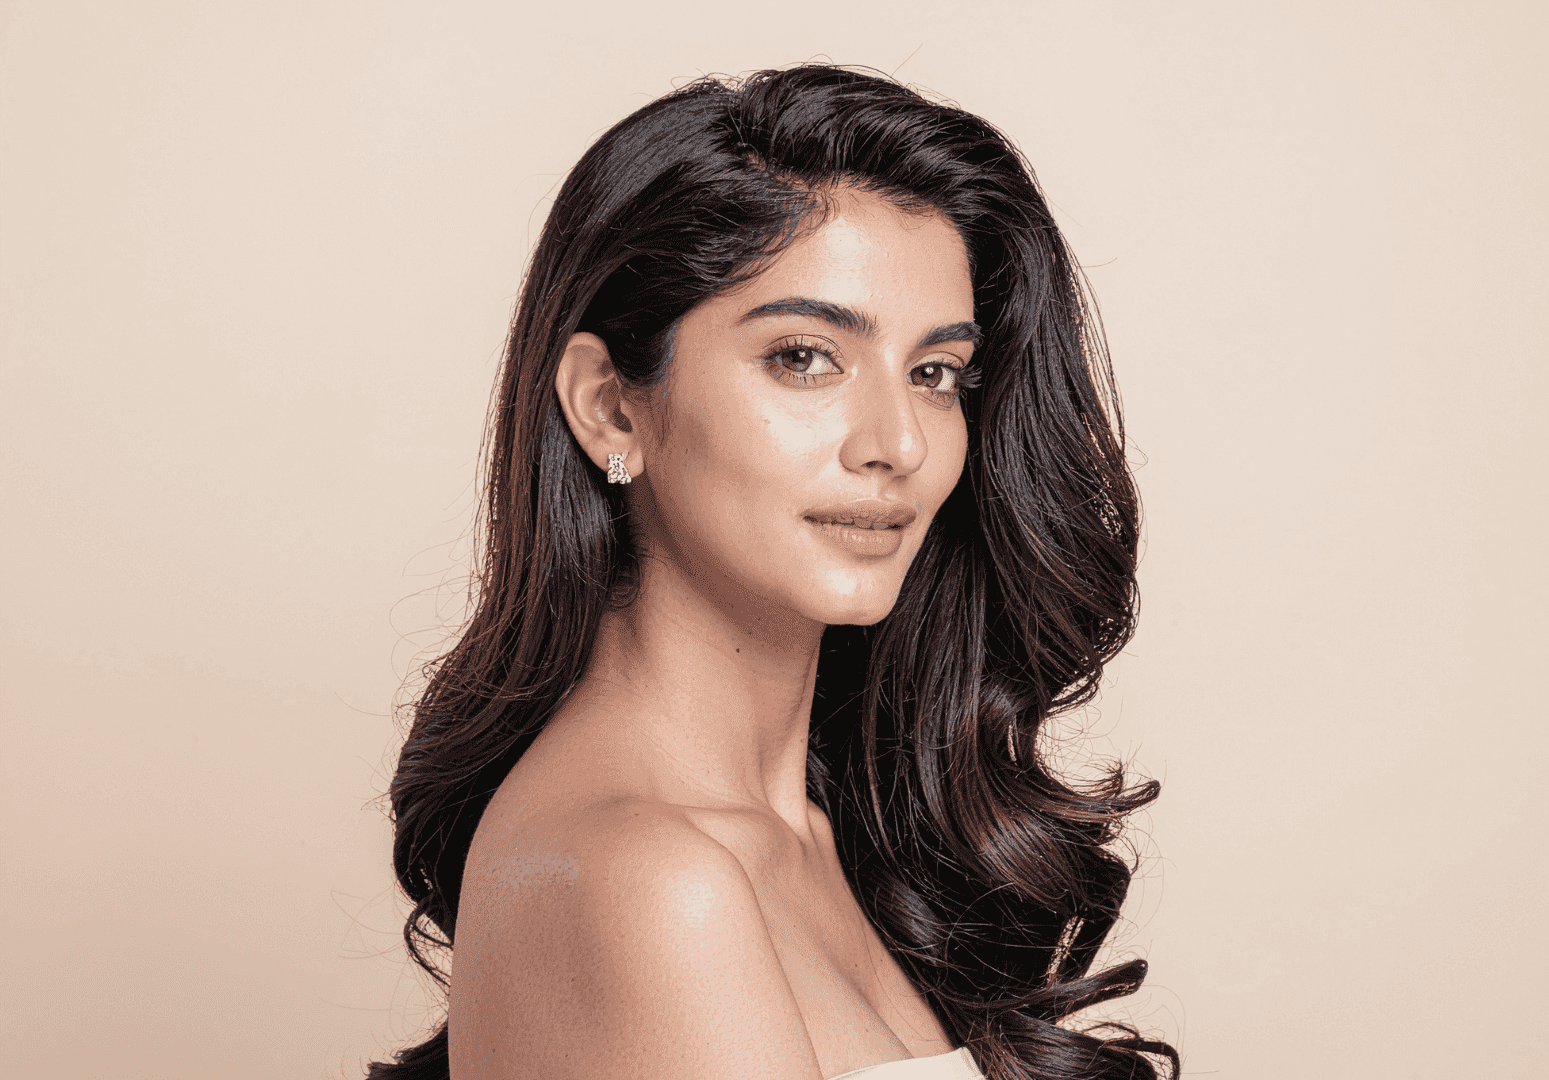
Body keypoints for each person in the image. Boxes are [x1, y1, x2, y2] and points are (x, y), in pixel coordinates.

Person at [370, 64, 1176, 1080]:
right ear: (611, 408)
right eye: (804, 357)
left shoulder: (827, 835)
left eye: (936, 375)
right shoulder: (649, 877)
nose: (898, 443)